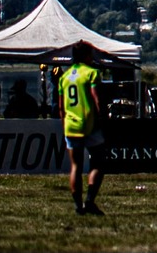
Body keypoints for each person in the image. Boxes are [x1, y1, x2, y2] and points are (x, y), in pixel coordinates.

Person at [60, 41, 107, 216]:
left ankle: (78, 206)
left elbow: (60, 107)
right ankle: (89, 201)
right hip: (89, 123)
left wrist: (64, 123)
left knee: (76, 167)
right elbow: (97, 99)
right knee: (98, 162)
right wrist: (102, 117)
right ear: (86, 55)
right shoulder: (92, 73)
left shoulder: (64, 77)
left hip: (71, 125)